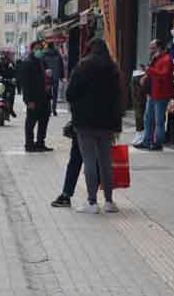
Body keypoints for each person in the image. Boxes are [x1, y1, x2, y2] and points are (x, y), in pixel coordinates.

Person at [66, 38, 122, 214]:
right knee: (105, 161)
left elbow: (70, 93)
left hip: (85, 123)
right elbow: (118, 98)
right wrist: (117, 124)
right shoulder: (113, 68)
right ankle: (109, 201)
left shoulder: (82, 67)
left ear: (89, 49)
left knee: (89, 161)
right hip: (107, 123)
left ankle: (91, 202)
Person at [135, 39, 174, 151]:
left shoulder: (167, 59)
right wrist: (146, 74)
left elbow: (164, 75)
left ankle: (158, 143)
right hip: (153, 93)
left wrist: (150, 71)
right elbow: (152, 71)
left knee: (159, 120)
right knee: (148, 118)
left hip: (161, 94)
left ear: (159, 48)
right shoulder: (156, 58)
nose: (151, 50)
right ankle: (147, 141)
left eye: (153, 48)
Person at [22, 41, 52, 153]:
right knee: (31, 122)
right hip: (33, 98)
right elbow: (26, 84)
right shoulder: (28, 63)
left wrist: (49, 76)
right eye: (37, 48)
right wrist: (28, 100)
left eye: (41, 48)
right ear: (32, 49)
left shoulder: (42, 62)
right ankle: (29, 144)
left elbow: (47, 77)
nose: (39, 51)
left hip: (45, 97)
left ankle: (40, 143)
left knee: (43, 121)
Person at [43, 42, 64, 116]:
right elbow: (61, 66)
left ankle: (48, 109)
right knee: (55, 94)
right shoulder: (58, 55)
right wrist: (62, 76)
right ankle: (54, 108)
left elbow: (42, 66)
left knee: (47, 94)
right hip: (56, 76)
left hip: (47, 77)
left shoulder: (44, 55)